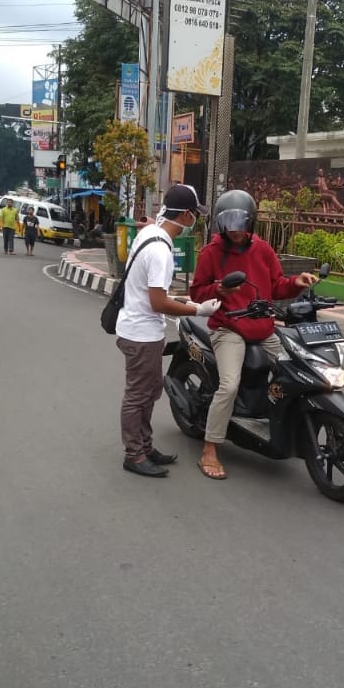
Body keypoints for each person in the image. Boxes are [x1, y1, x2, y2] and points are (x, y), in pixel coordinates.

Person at [189, 189, 317, 480]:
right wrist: (219, 290)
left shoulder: (264, 250)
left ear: (251, 223)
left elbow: (278, 286)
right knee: (230, 386)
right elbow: (196, 292)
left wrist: (297, 282)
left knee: (299, 371)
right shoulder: (211, 252)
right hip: (228, 328)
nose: (235, 231)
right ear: (221, 225)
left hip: (263, 328)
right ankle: (210, 448)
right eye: (229, 225)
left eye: (240, 224)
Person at [115, 184, 221, 477]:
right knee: (138, 395)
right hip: (141, 333)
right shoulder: (161, 250)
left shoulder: (150, 234)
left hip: (137, 327)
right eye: (196, 214)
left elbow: (152, 293)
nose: (196, 221)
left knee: (149, 391)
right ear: (187, 215)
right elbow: (158, 301)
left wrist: (184, 301)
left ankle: (144, 447)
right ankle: (134, 455)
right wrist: (199, 310)